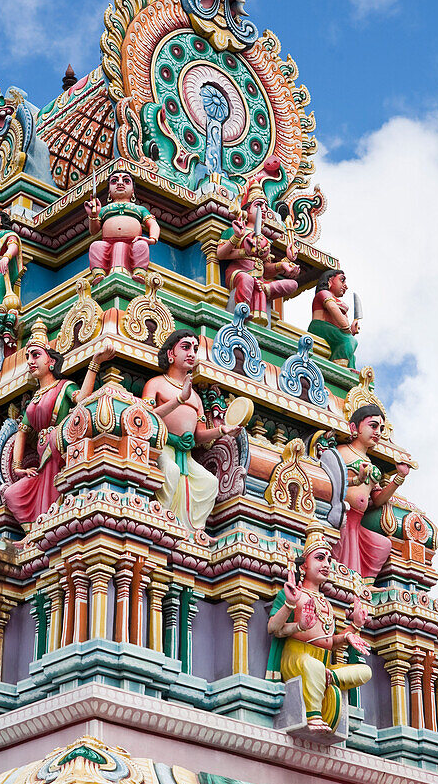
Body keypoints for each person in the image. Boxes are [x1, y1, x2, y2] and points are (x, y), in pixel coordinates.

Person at [3, 321, 114, 527]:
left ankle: (49, 528)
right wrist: (17, 468)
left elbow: (82, 399)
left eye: (36, 355)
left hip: (59, 449)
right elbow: (22, 432)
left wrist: (95, 362)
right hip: (42, 459)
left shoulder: (64, 386)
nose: (30, 361)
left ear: (51, 361)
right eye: (28, 357)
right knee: (11, 494)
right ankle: (34, 534)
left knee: (57, 492)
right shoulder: (34, 399)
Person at [267, 524, 371, 734]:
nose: (326, 564)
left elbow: (329, 642)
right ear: (303, 566)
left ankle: (329, 679)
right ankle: (313, 716)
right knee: (313, 666)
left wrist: (353, 628)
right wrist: (291, 610)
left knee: (365, 671)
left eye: (329, 560)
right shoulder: (294, 594)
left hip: (321, 662)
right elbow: (273, 628)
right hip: (297, 657)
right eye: (320, 558)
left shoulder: (326, 603)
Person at [142, 329, 238, 532]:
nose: (192, 353)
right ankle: (160, 520)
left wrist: (223, 431)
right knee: (171, 471)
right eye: (185, 347)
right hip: (163, 448)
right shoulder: (156, 384)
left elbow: (199, 435)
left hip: (187, 454)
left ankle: (194, 531)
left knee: (209, 482)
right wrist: (179, 400)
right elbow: (145, 418)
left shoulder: (195, 396)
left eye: (195, 348)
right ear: (170, 354)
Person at [335, 403, 410, 580]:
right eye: (373, 426)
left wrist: (399, 478)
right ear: (354, 427)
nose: (378, 432)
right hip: (342, 517)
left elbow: (376, 499)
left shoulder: (370, 463)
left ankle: (365, 585)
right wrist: (356, 480)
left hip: (358, 522)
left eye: (381, 428)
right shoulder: (342, 452)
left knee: (383, 544)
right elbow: (331, 482)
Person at [216, 180, 300, 324]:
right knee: (246, 279)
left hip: (259, 279)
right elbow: (220, 254)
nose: (265, 210)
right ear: (246, 211)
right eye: (259, 205)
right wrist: (238, 239)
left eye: (266, 207)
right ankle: (242, 308)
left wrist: (283, 265)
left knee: (292, 284)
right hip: (239, 273)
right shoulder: (236, 230)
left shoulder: (266, 240)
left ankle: (264, 289)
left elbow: (266, 269)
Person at [85, 169, 159, 285]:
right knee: (96, 246)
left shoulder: (139, 209)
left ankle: (139, 272)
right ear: (109, 190)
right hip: (107, 243)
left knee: (142, 246)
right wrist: (93, 216)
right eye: (114, 181)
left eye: (126, 181)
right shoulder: (104, 209)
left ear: (133, 190)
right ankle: (99, 273)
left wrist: (152, 239)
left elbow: (152, 223)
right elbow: (94, 231)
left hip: (133, 242)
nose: (120, 183)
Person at [308, 269, 359, 368]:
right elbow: (332, 307)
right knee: (349, 341)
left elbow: (343, 323)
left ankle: (351, 370)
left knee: (352, 351)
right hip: (320, 327)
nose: (346, 286)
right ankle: (339, 366)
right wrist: (345, 327)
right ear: (329, 281)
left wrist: (351, 329)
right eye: (342, 280)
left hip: (334, 331)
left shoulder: (336, 300)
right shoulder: (324, 294)